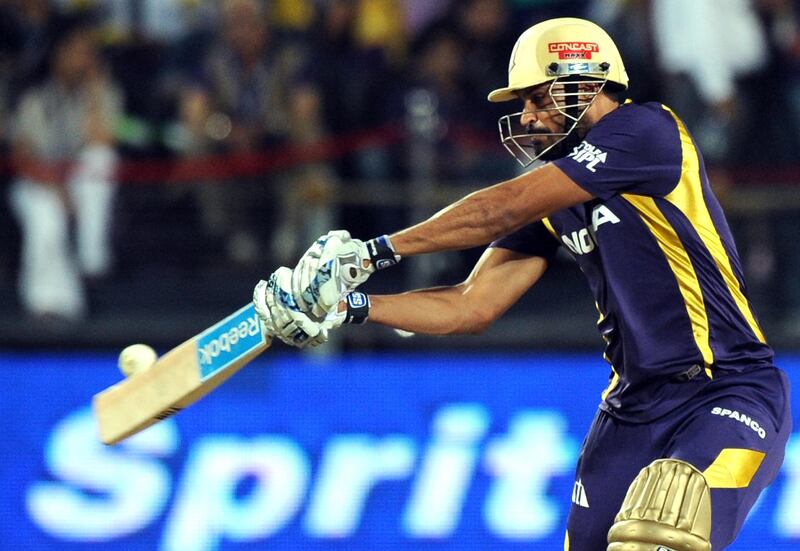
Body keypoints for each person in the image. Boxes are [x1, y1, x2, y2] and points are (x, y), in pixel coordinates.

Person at [252, 17, 792, 550]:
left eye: (538, 98)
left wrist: (374, 251)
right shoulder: (559, 196)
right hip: (630, 411)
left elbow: (498, 209)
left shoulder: (646, 130)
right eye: (524, 106)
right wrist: (351, 305)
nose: (529, 118)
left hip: (726, 390)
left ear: (586, 78)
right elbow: (471, 305)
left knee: (663, 534)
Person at [9, 24, 123, 321]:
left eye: (89, 54)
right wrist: (58, 190)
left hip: (79, 182)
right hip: (37, 183)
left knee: (100, 160)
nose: (84, 60)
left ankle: (91, 257)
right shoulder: (35, 97)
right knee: (47, 218)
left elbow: (103, 143)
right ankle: (48, 306)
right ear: (58, 55)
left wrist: (96, 93)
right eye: (77, 53)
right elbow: (23, 156)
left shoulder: (103, 93)